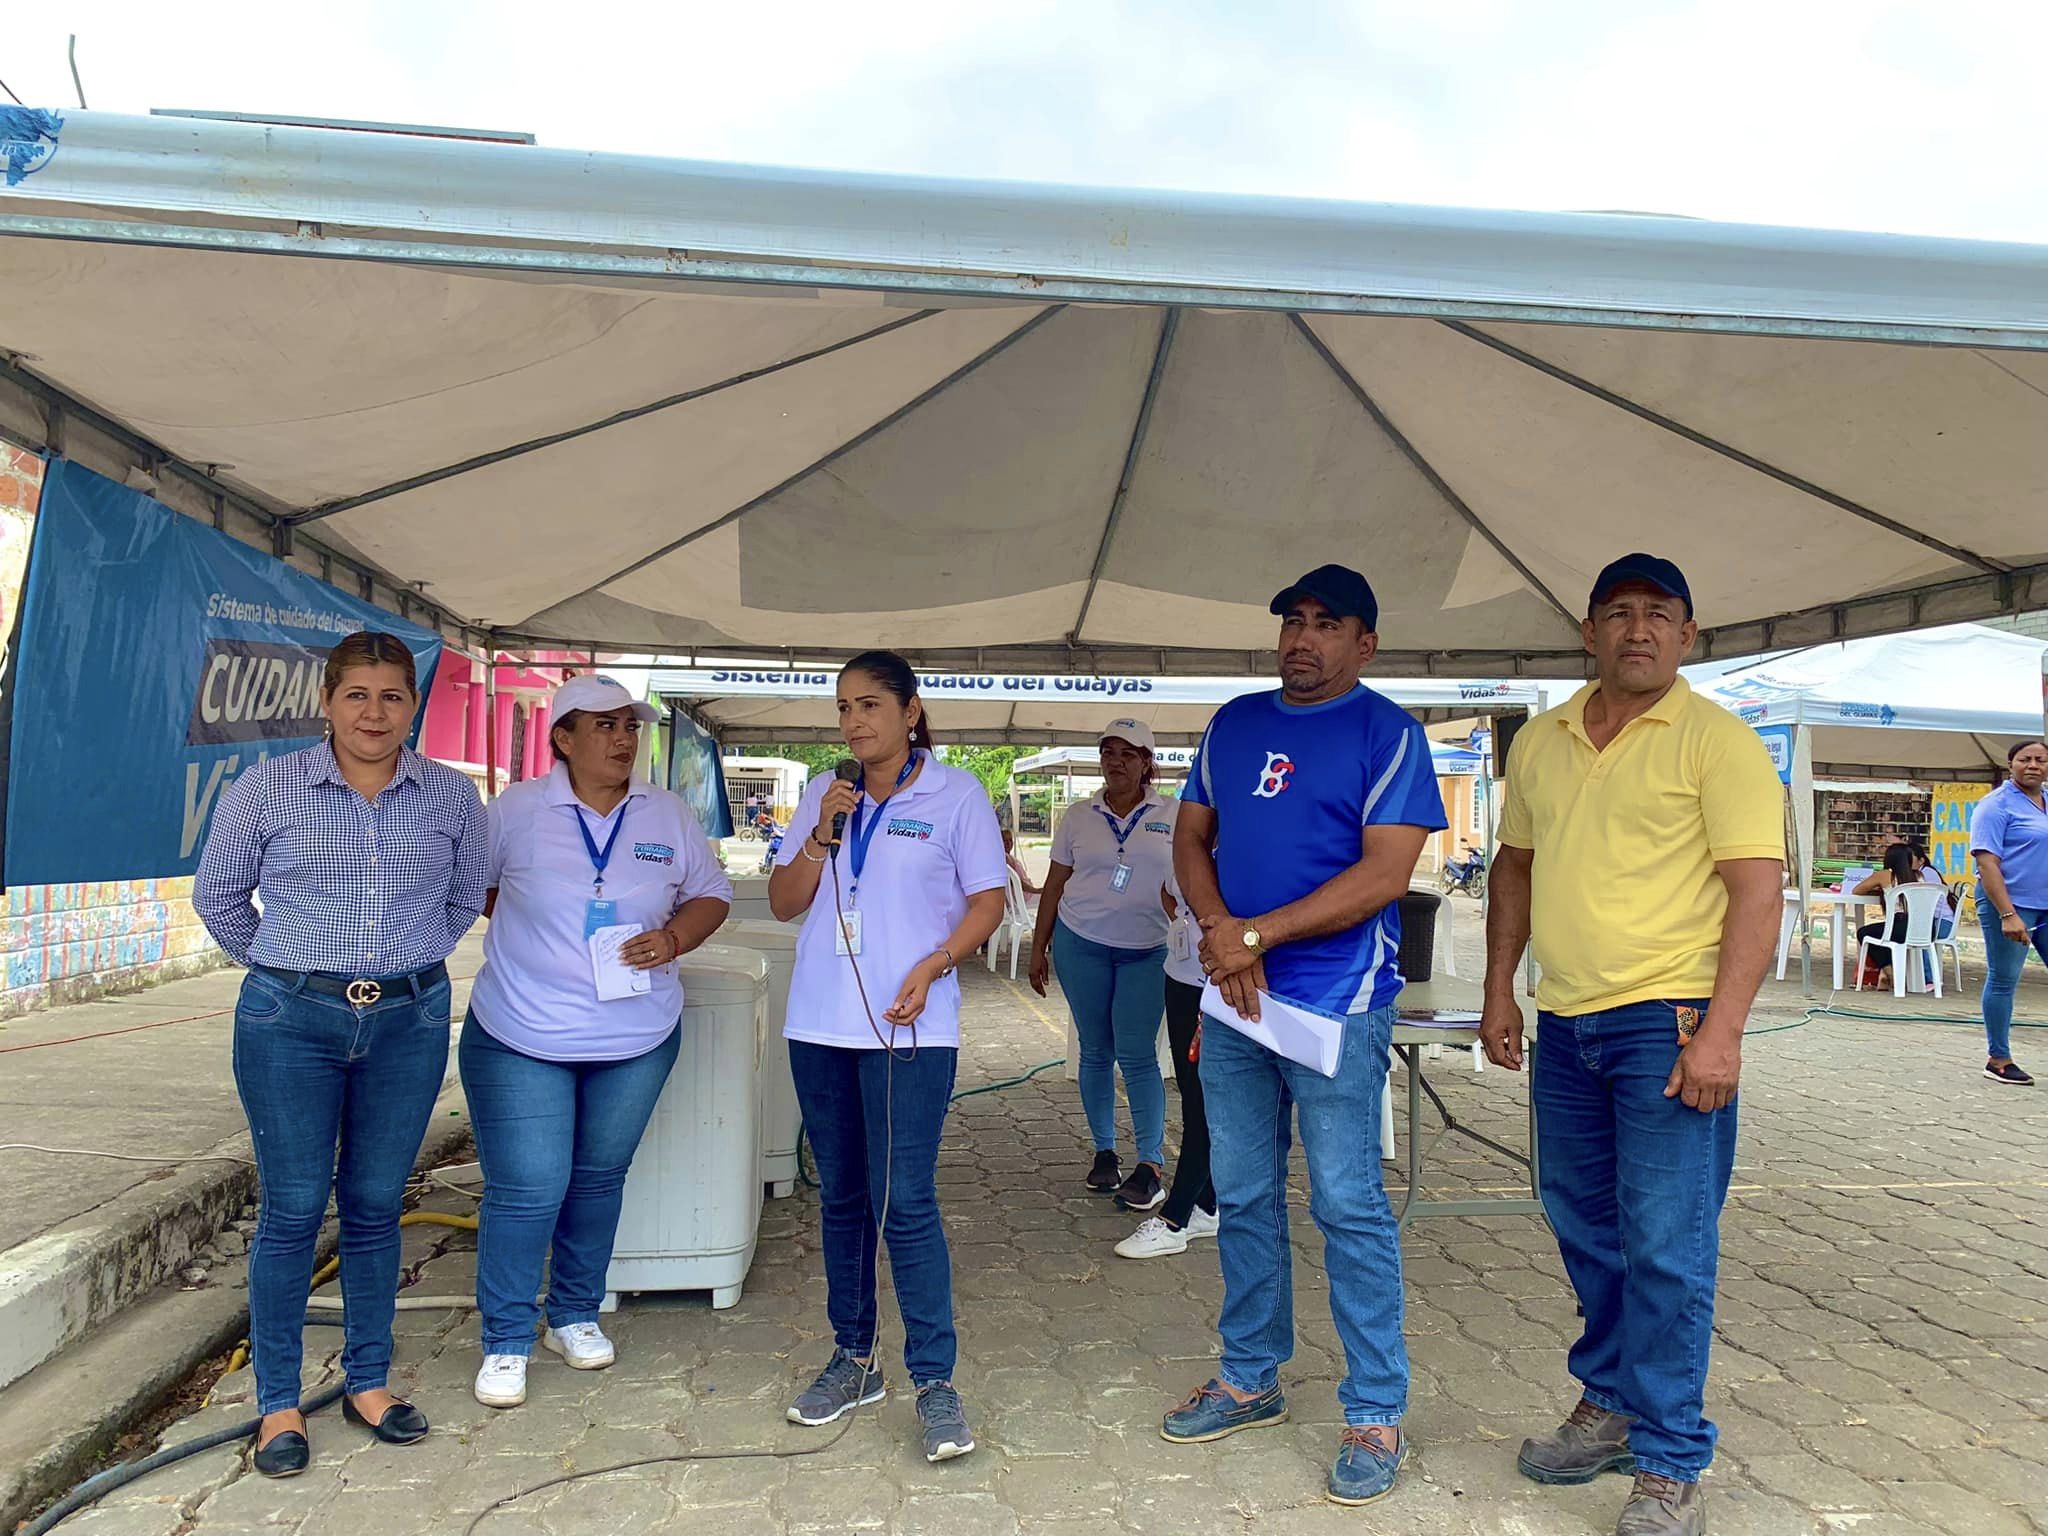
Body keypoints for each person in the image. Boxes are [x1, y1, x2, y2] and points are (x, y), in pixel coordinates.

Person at [1480, 554, 1783, 1536]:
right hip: (1566, 1021)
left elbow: (1756, 892)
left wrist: (1722, 1035)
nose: (1638, 630)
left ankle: (1669, 1462)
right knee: (1583, 1226)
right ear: (1589, 631)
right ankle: (1609, 1402)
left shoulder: (1718, 742)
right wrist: (1498, 988)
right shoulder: (1543, 741)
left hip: (1670, 1023)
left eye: (1658, 615)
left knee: (1666, 1245)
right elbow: (1515, 868)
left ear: (1688, 635)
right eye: (1618, 613)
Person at [1165, 563, 1445, 1508]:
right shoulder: (1234, 723)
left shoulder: (1389, 734)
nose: (1303, 638)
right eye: (1294, 620)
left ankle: (1376, 1408)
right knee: (1243, 1192)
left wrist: (1255, 937)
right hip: (1236, 1000)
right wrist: (1221, 933)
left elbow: (1384, 876)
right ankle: (1251, 1376)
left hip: (1336, 1001)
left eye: (1327, 624)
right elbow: (1190, 840)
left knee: (1346, 1202)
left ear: (1365, 644)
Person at [194, 631, 488, 1478]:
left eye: (392, 696)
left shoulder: (450, 796)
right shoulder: (268, 788)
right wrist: (286, 971)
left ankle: (367, 1381)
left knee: (373, 1204)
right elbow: (218, 896)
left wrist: (405, 965)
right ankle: (278, 1403)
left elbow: (465, 896)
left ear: (413, 706)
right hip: (291, 1023)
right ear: (327, 702)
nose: (374, 713)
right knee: (292, 1210)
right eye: (357, 695)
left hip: (407, 1021)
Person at [463, 675, 733, 1409]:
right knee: (529, 1187)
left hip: (635, 1035)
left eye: (630, 727)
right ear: (563, 738)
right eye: (605, 726)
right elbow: (474, 890)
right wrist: (542, 939)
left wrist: (672, 938)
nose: (623, 739)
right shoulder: (515, 811)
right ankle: (506, 1339)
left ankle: (574, 1314)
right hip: (522, 1030)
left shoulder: (666, 812)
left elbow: (711, 893)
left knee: (597, 1178)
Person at [768, 652, 1007, 1463]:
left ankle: (935, 1381)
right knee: (842, 1197)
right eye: (843, 707)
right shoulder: (823, 793)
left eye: (870, 704)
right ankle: (855, 1357)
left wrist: (936, 963)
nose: (853, 721)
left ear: (911, 712)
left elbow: (988, 902)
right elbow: (785, 902)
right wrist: (820, 833)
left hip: (911, 1028)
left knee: (904, 1201)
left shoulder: (956, 795)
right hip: (820, 1025)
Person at [1029, 720, 1179, 1210]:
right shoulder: (1079, 815)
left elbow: (1193, 878)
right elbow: (1054, 884)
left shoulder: (1173, 814)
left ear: (1147, 762)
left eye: (1128, 754)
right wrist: (1038, 946)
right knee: (1094, 1050)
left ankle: (1150, 1164)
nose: (1116, 762)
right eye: (1108, 752)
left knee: (1137, 1054)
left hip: (1148, 949)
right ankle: (1104, 1152)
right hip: (1082, 943)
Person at [1113, 868, 1219, 1259]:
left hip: (1221, 979)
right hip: (1182, 973)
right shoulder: (1186, 838)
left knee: (1206, 1102)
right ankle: (1206, 1204)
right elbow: (1167, 886)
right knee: (1191, 1093)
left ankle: (1175, 1219)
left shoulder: (1244, 839)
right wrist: (1181, 918)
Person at [1970, 738, 2048, 1086]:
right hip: (2009, 904)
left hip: (2045, 904)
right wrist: (2007, 914)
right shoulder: (1995, 805)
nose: (2033, 765)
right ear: (2010, 764)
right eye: (2025, 759)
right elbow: (1987, 863)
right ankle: (1998, 1059)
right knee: (2004, 979)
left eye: (2041, 760)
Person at [1001, 829, 1042, 896]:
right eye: (1005, 841)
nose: (1008, 843)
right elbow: (1016, 881)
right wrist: (1035, 890)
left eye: (1010, 840)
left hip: (1026, 893)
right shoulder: (1006, 858)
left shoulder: (1008, 857)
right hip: (1024, 895)